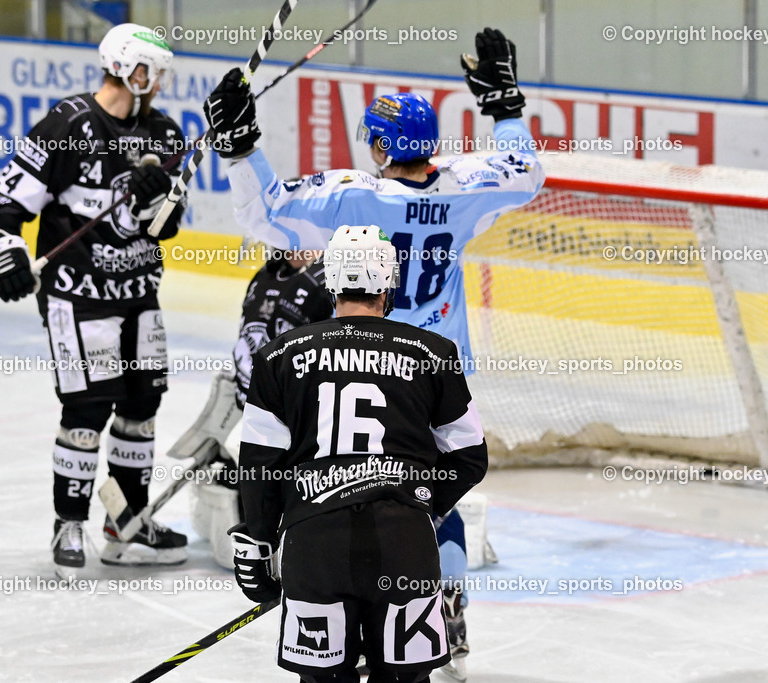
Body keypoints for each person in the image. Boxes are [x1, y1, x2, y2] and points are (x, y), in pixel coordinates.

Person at [203, 26, 539, 666]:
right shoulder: (468, 188)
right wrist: (502, 108)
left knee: (347, 486)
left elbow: (265, 215)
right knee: (433, 490)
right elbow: (526, 171)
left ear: (383, 145)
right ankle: (448, 610)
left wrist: (241, 148)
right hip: (439, 374)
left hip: (363, 359)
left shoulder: (355, 198)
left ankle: (341, 611)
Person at [230, 225, 488, 682]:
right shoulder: (434, 353)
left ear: (331, 283)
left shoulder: (277, 356)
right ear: (389, 285)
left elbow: (258, 465)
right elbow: (469, 456)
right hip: (403, 546)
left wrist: (260, 541)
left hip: (316, 548)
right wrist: (421, 500)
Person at [0, 23, 189, 574]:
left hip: (141, 294)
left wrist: (155, 198)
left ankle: (126, 522)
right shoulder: (66, 125)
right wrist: (4, 254)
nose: (160, 82)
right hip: (79, 298)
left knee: (143, 406)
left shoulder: (164, 134)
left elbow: (167, 228)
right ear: (126, 68)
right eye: (154, 71)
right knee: (87, 410)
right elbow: (6, 207)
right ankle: (67, 522)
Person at [168, 247, 333, 567]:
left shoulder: (326, 284)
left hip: (304, 424)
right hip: (257, 413)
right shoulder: (265, 275)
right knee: (237, 482)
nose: (290, 244)